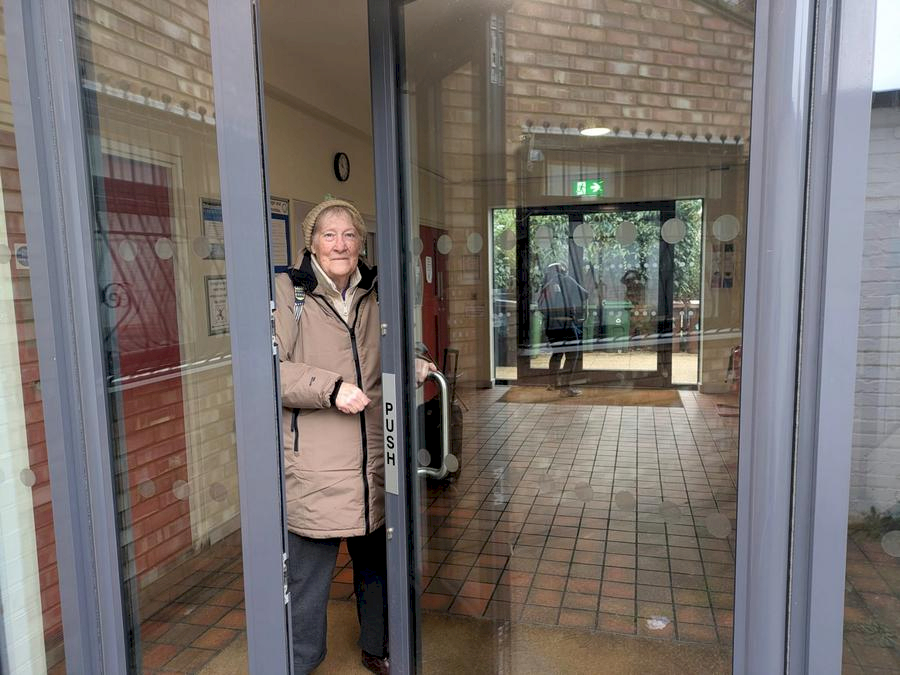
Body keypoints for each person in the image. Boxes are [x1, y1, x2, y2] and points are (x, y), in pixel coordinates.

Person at [273, 199, 433, 675]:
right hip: (315, 465)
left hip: (377, 456)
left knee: (377, 570)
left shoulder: (379, 289)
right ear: (311, 242)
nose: (340, 244)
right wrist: (331, 388)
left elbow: (407, 342)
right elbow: (268, 372)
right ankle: (300, 663)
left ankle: (377, 647)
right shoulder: (288, 292)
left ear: (361, 242)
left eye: (349, 234)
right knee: (307, 582)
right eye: (328, 234)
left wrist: (417, 361)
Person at [537, 261, 588, 396]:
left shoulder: (546, 286)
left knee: (557, 353)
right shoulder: (566, 280)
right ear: (562, 270)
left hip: (550, 326)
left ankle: (552, 384)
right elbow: (585, 295)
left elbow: (541, 306)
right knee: (572, 355)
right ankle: (565, 389)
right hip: (566, 325)